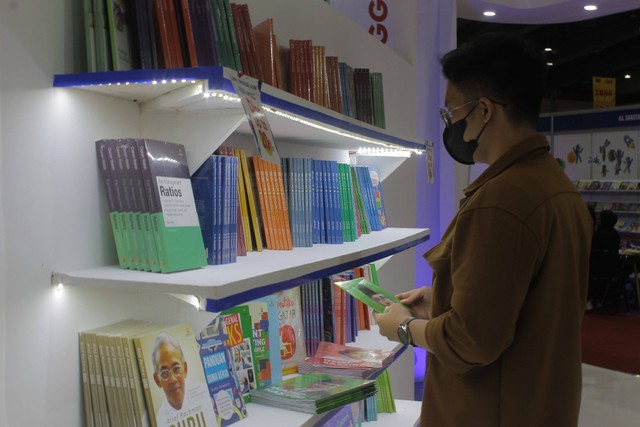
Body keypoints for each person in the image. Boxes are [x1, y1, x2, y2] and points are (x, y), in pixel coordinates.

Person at [372, 32, 593, 427]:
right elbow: (527, 302)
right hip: (539, 404)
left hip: (487, 410)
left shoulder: (502, 200)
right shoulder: (555, 186)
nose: (450, 124)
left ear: (484, 111)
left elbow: (470, 342)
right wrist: (445, 293)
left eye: (451, 112)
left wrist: (404, 327)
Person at [152, 332, 216, 427]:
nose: (173, 380)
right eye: (164, 373)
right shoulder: (158, 422)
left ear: (185, 369)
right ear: (157, 380)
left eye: (176, 369)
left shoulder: (205, 394)